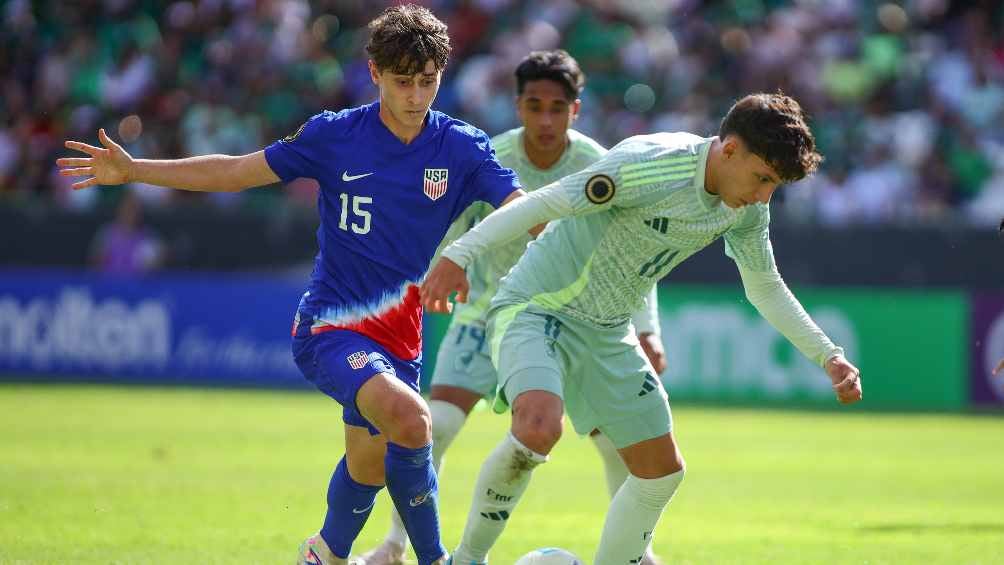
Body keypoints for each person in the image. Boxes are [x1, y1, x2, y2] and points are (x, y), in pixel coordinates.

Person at [57, 5, 524, 565]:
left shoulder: (461, 146)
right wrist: (137, 170)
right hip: (330, 327)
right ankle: (435, 559)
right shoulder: (335, 135)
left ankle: (324, 553)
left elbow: (520, 207)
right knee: (412, 419)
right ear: (374, 73)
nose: (417, 95)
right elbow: (237, 171)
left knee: (370, 465)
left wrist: (467, 252)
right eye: (403, 81)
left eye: (428, 81)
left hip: (401, 335)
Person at [422, 92, 864, 564]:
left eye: (773, 186)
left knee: (662, 472)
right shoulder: (652, 164)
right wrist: (458, 255)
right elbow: (546, 202)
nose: (763, 196)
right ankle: (466, 559)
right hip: (537, 307)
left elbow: (765, 287)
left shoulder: (747, 209)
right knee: (538, 425)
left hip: (609, 331)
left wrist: (828, 355)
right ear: (731, 149)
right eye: (763, 179)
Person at [362, 50, 667, 565]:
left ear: (575, 109)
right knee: (436, 424)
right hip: (487, 312)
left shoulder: (601, 166)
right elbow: (447, 230)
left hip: (576, 320)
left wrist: (647, 328)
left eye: (557, 108)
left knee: (616, 439)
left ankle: (642, 552)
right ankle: (395, 544)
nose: (545, 120)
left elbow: (628, 255)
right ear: (517, 105)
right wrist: (439, 273)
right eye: (534, 106)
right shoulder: (489, 158)